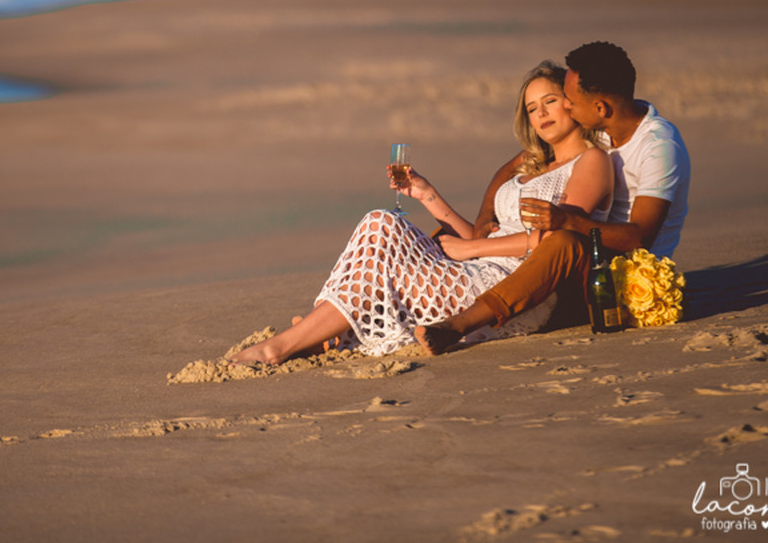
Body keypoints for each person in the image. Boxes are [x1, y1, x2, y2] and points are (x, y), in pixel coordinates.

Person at [230, 61, 614, 365]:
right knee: (381, 223)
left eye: (550, 101)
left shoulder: (591, 161)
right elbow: (477, 238)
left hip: (514, 287)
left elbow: (560, 239)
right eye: (532, 108)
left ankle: (286, 345)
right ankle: (321, 331)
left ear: (570, 102)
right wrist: (427, 194)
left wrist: (472, 250)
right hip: (478, 265)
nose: (541, 113)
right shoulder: (529, 165)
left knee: (386, 271)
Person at [417, 41, 691, 355]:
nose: (567, 107)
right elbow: (509, 168)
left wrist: (567, 220)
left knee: (564, 241)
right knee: (435, 241)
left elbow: (639, 237)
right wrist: (484, 218)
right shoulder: (601, 126)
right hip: (580, 254)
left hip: (620, 276)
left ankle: (459, 326)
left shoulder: (658, 148)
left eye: (569, 101)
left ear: (600, 107)